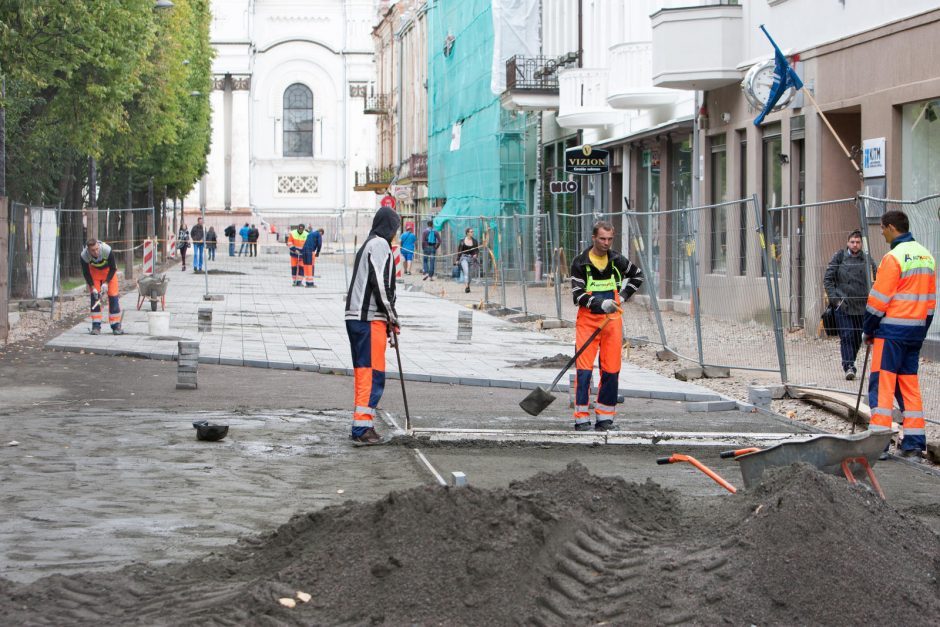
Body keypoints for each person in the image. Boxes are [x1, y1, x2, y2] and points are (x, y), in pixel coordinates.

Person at [863, 210, 935, 460]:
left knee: (882, 386)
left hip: (890, 332)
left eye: (882, 228)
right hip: (915, 332)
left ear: (892, 227)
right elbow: (930, 303)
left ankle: (879, 445)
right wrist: (921, 331)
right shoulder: (926, 257)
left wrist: (869, 328)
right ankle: (914, 445)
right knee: (909, 386)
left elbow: (878, 300)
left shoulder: (893, 258)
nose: (881, 231)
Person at [570, 221, 643, 432]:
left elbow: (637, 276)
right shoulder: (580, 262)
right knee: (584, 371)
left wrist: (622, 296)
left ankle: (605, 418)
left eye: (610, 239)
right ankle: (581, 418)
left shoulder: (616, 260)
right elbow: (578, 294)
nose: (606, 243)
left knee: (611, 370)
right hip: (588, 321)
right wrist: (599, 303)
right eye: (602, 238)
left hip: (612, 322)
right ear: (594, 238)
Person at [344, 206, 400, 444]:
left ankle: (363, 426)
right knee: (372, 375)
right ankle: (362, 430)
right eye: (395, 228)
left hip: (361, 318)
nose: (395, 234)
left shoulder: (370, 243)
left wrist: (388, 321)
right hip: (368, 319)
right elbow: (380, 283)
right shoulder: (379, 245)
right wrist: (392, 318)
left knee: (366, 374)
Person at [824, 230, 878, 380]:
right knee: (847, 335)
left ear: (861, 244)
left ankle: (850, 361)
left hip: (862, 306)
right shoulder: (839, 257)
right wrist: (835, 300)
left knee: (857, 337)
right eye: (852, 242)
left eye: (858, 242)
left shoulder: (867, 259)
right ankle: (848, 366)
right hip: (844, 305)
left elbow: (877, 277)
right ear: (848, 242)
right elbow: (828, 279)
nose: (855, 245)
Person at [80, 239, 124, 335]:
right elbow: (86, 273)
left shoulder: (106, 250)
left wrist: (106, 283)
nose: (96, 252)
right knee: (95, 298)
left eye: (97, 249)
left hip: (109, 273)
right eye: (93, 250)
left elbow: (113, 268)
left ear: (98, 246)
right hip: (94, 273)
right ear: (88, 250)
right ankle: (96, 326)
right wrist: (93, 287)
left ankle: (116, 326)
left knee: (113, 296)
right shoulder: (84, 255)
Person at [456, 227, 480, 293]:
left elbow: (477, 250)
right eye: (471, 231)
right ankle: (466, 286)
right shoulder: (462, 241)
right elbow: (459, 251)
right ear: (467, 233)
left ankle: (468, 285)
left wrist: (476, 254)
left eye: (472, 231)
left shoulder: (475, 241)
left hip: (472, 258)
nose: (472, 233)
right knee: (466, 271)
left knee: (470, 274)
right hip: (464, 258)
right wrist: (457, 259)